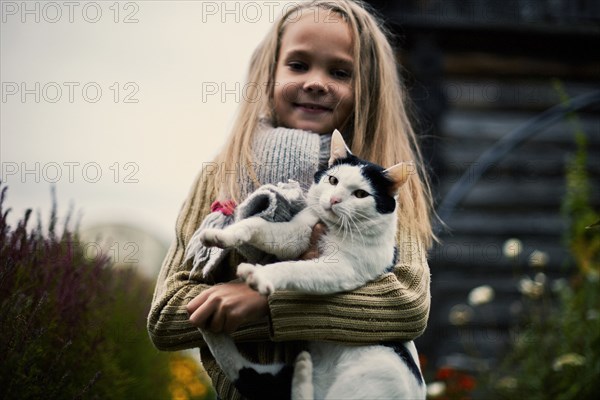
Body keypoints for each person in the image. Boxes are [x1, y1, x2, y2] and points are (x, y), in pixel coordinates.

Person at [148, 1, 434, 399]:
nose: (316, 82)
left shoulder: (381, 185)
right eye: (298, 65)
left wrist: (269, 301)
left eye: (339, 72)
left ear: (367, 88)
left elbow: (406, 302)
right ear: (269, 74)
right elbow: (166, 316)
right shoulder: (225, 172)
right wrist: (243, 299)